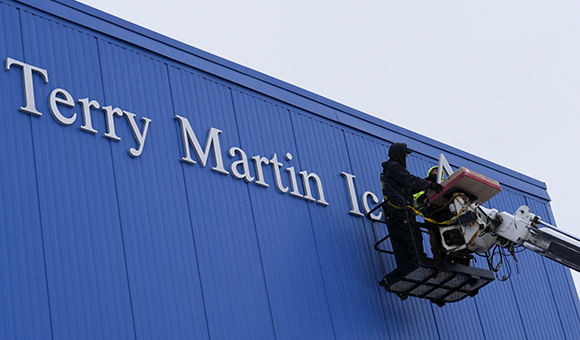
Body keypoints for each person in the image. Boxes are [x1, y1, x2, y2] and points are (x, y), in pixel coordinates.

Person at [381, 143, 443, 266]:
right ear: (399, 153)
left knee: (401, 238)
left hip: (395, 211)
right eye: (405, 154)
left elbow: (410, 187)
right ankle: (418, 259)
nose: (406, 156)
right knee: (412, 233)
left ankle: (405, 264)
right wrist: (430, 185)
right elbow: (410, 181)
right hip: (399, 209)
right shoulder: (394, 167)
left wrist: (425, 185)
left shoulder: (391, 169)